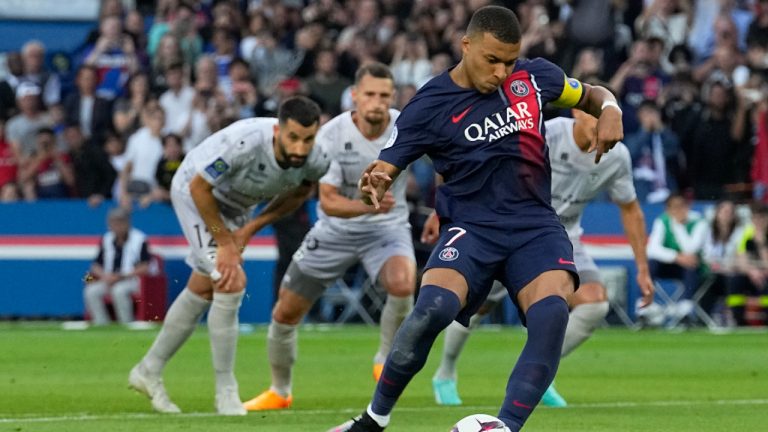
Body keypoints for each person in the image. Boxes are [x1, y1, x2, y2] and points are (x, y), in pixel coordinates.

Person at [327, 6, 624, 432]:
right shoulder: (429, 105)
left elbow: (592, 94)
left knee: (552, 314)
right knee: (433, 307)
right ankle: (372, 422)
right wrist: (377, 178)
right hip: (472, 228)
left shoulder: (534, 77)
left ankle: (505, 427)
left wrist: (610, 107)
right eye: (492, 60)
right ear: (466, 45)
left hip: (534, 226)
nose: (503, 71)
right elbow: (388, 162)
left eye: (509, 60)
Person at [427, 110, 654, 408]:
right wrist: (443, 209)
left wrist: (642, 268)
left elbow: (630, 209)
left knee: (595, 303)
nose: (603, 127)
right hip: (512, 228)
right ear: (576, 112)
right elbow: (487, 162)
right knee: (478, 305)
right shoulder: (547, 134)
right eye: (595, 117)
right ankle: (445, 373)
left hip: (563, 238)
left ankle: (536, 372)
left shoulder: (617, 156)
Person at [128, 96, 329, 416]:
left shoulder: (318, 158)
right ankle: (226, 391)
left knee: (205, 286)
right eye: (293, 138)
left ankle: (148, 370)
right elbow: (198, 188)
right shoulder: (246, 144)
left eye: (308, 139)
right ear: (278, 130)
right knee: (231, 279)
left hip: (238, 208)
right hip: (196, 193)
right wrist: (225, 244)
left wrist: (250, 229)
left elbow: (301, 193)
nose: (300, 149)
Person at [242, 63, 416, 411]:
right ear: (354, 96)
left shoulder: (407, 126)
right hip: (334, 232)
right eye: (369, 94)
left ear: (393, 97)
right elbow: (330, 202)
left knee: (403, 283)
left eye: (384, 95)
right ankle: (280, 390)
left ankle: (385, 357)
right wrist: (370, 207)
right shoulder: (332, 136)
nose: (377, 102)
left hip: (387, 229)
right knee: (285, 312)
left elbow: (446, 162)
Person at [84, 207, 151, 325]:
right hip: (109, 279)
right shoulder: (106, 238)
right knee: (91, 290)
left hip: (132, 280)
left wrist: (120, 276)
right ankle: (102, 324)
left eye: (120, 222)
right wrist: (105, 276)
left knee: (119, 290)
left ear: (127, 223)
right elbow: (95, 266)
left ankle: (126, 323)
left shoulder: (140, 239)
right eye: (113, 223)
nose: (117, 226)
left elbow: (145, 267)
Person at [646, 193, 708, 321]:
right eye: (674, 207)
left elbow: (690, 249)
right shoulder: (662, 221)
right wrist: (676, 257)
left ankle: (685, 308)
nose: (678, 211)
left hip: (693, 270)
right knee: (650, 265)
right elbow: (652, 249)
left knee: (691, 265)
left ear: (688, 206)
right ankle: (646, 306)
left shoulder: (699, 222)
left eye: (681, 206)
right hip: (671, 266)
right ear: (667, 210)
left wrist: (678, 226)